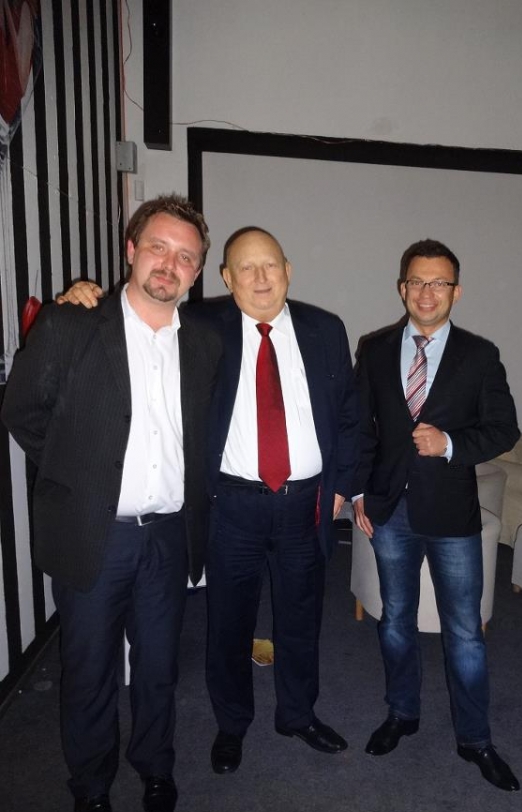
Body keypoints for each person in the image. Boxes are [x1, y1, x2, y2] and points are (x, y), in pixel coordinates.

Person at [57, 226, 359, 775]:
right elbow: (139, 311)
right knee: (229, 622)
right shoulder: (199, 326)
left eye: (271, 265)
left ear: (288, 270)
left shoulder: (326, 329)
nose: (261, 278)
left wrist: (343, 485)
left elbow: (350, 414)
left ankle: (298, 714)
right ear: (225, 277)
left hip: (305, 503)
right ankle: (232, 724)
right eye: (246, 268)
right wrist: (86, 295)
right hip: (232, 505)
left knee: (301, 616)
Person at [1, 195, 222, 812]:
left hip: (168, 537)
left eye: (186, 256)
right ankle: (91, 785)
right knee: (89, 669)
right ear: (130, 250)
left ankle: (155, 767)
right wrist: (77, 476)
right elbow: (21, 412)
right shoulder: (72, 324)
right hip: (95, 534)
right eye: (158, 247)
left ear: (197, 271)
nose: (170, 264)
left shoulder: (205, 344)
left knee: (157, 666)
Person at [352, 239, 521, 791]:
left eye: (439, 282)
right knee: (395, 620)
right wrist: (358, 492)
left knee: (465, 632)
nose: (427, 292)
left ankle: (475, 739)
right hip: (390, 512)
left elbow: (504, 430)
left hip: (452, 516)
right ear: (403, 288)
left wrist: (449, 443)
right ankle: (402, 713)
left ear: (456, 291)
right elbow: (360, 428)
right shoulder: (374, 349)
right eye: (418, 282)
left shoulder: (480, 355)